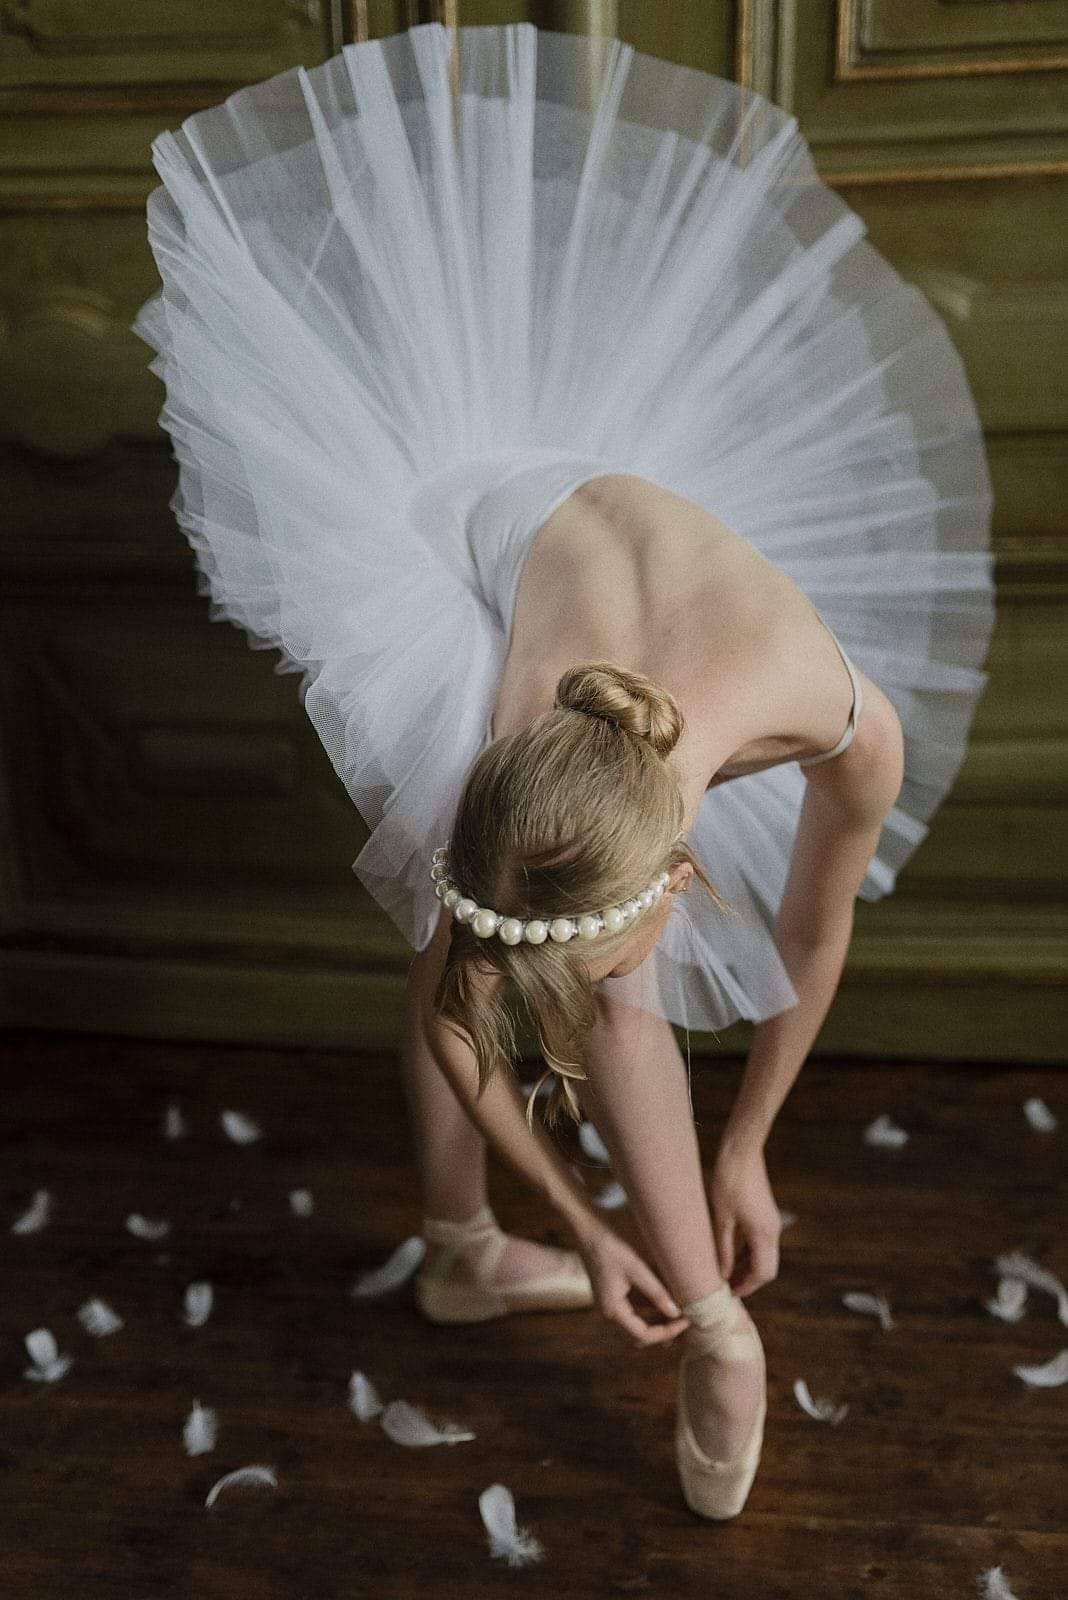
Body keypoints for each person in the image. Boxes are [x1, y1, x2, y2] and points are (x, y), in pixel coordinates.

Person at [131, 22, 996, 1519]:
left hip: (611, 543)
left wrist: (749, 1148)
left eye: (611, 951)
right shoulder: (517, 728)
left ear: (683, 864)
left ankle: (607, 1292)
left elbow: (811, 934)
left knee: (616, 996)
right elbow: (465, 1010)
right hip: (465, 537)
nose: (587, 1012)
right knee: (467, 951)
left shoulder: (842, 722)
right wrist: (588, 1232)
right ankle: (481, 1256)